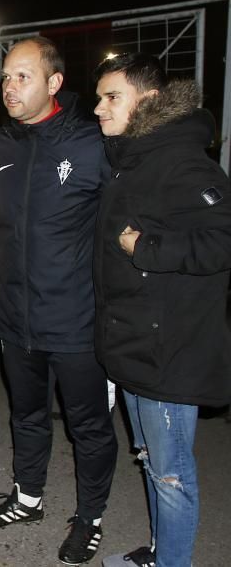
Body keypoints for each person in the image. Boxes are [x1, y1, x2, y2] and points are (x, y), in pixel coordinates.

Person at [0, 37, 117, 566]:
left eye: (23, 77)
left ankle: (90, 518)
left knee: (89, 428)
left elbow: (132, 209)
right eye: (7, 77)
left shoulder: (91, 143)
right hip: (14, 318)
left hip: (78, 321)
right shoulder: (2, 146)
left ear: (54, 83)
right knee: (26, 414)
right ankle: (27, 498)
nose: (9, 87)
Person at [92, 53, 231, 567]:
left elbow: (222, 241)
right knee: (153, 462)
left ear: (148, 101)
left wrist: (147, 248)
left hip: (168, 350)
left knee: (171, 475)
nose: (100, 108)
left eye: (112, 97)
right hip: (135, 342)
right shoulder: (137, 157)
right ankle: (159, 555)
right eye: (100, 97)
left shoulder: (182, 161)